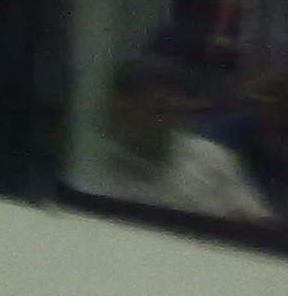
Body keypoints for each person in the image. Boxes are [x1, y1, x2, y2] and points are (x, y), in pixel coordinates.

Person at [93, 55, 273, 220]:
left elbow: (256, 220)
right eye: (127, 111)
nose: (148, 120)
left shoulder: (212, 158)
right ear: (116, 110)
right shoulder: (95, 171)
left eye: (160, 111)